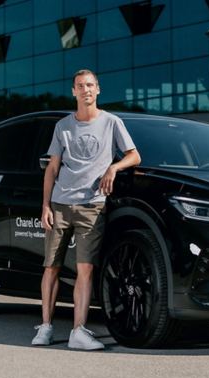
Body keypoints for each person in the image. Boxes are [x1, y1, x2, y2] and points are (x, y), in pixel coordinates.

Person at [32, 69, 140, 350]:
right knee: (51, 267)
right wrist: (45, 205)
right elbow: (52, 169)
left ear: (98, 89)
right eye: (80, 86)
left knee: (85, 269)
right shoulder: (63, 126)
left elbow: (134, 155)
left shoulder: (112, 122)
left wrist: (113, 168)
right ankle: (45, 328)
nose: (85, 90)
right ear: (73, 91)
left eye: (90, 85)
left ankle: (78, 332)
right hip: (60, 204)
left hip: (93, 205)